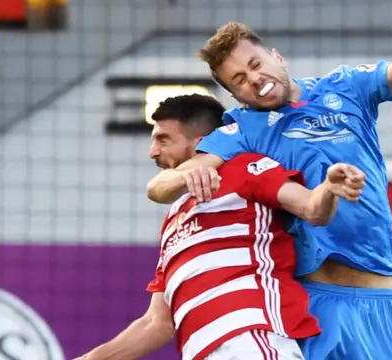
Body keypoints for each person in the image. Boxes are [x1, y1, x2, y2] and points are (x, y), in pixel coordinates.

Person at [145, 1, 392, 359]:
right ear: (233, 94)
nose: (255, 80)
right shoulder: (242, 129)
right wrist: (191, 172)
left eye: (256, 65)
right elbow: (163, 186)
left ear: (277, 57)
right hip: (313, 302)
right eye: (239, 80)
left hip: (381, 303)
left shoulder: (347, 88)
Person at [74, 94, 365, 360]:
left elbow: (312, 209)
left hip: (251, 341)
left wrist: (328, 188)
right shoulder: (173, 220)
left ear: (200, 142)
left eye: (163, 139)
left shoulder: (243, 169)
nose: (152, 152)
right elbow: (156, 323)